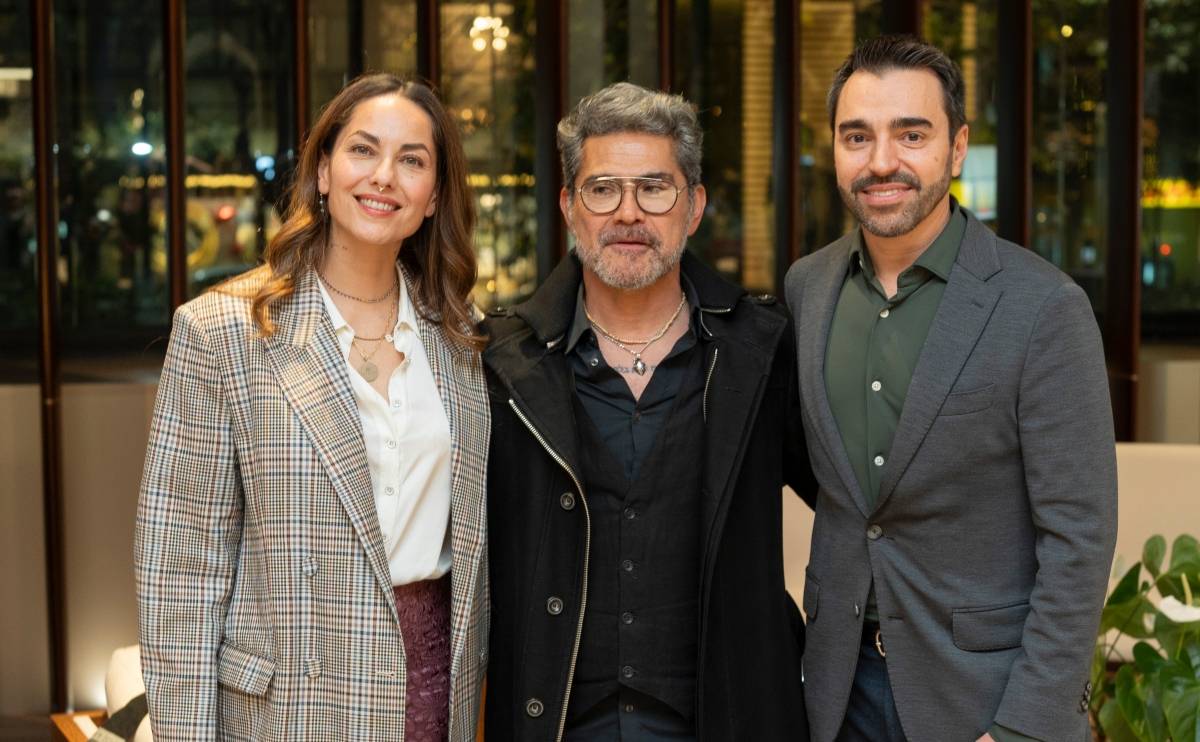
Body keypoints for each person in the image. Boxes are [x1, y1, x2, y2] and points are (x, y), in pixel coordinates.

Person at [135, 73, 490, 741]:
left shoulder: (461, 338)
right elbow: (179, 572)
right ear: (323, 171)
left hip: (432, 687)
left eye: (412, 160)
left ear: (435, 195)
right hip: (290, 703)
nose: (383, 176)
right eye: (362, 150)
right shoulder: (223, 332)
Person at [785, 35, 1117, 742]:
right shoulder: (806, 288)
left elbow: (1079, 539)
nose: (882, 161)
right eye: (857, 136)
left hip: (981, 701)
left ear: (958, 147)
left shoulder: (1043, 307)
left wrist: (1024, 726)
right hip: (837, 691)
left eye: (912, 134)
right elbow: (843, 491)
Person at [482, 82, 814, 741]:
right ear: (569, 207)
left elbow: (860, 513)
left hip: (727, 721)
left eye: (655, 189)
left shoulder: (763, 352)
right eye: (603, 189)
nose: (629, 212)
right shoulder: (501, 364)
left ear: (694, 207)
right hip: (556, 726)